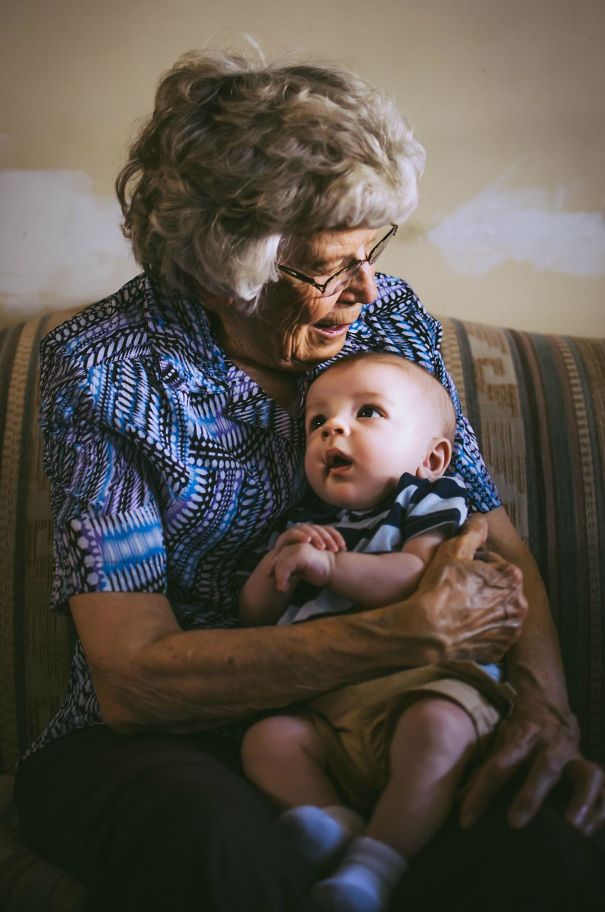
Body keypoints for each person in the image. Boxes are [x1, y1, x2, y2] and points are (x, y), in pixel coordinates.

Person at [13, 48, 603, 912]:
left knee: (536, 843)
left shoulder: (388, 316)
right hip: (169, 741)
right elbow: (134, 679)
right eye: (328, 267)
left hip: (385, 713)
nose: (365, 288)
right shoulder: (107, 371)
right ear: (225, 264)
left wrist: (543, 712)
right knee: (228, 858)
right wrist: (403, 634)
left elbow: (489, 532)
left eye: (374, 252)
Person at [239, 352, 516, 911]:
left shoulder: (428, 501)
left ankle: (376, 865)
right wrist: (279, 565)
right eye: (318, 422)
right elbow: (254, 617)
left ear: (431, 456)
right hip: (329, 706)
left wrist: (329, 569)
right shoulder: (303, 525)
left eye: (367, 412)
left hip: (422, 685)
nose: (332, 428)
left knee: (438, 726)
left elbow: (415, 577)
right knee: (267, 741)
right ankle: (338, 828)